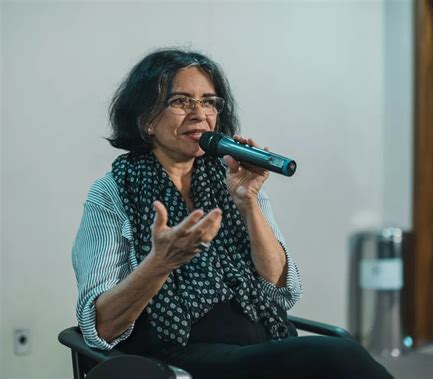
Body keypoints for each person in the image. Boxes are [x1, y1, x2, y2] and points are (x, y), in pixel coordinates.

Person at [72, 48, 392, 379]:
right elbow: (102, 326)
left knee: (332, 358)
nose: (199, 114)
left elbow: (280, 289)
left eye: (209, 102)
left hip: (262, 339)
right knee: (336, 355)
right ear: (147, 120)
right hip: (175, 354)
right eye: (181, 101)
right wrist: (160, 263)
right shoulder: (112, 192)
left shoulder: (233, 178)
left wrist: (249, 201)